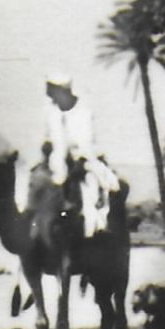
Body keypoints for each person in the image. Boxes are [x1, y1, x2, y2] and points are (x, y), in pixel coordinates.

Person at [42, 73, 122, 238]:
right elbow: (50, 138)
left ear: (63, 91)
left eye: (52, 92)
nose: (51, 97)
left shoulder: (84, 112)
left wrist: (80, 161)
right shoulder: (51, 112)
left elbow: (87, 141)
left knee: (90, 188)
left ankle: (97, 227)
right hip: (56, 163)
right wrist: (47, 148)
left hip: (83, 163)